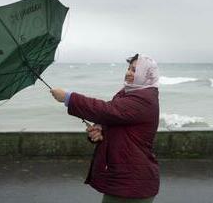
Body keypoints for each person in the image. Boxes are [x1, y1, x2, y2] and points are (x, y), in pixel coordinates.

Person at [50, 53, 160, 203]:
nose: (128, 73)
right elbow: (112, 118)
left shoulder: (144, 99)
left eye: (135, 70)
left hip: (133, 182)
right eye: (128, 68)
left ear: (146, 74)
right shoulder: (126, 94)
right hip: (125, 179)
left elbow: (106, 110)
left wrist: (69, 98)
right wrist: (100, 130)